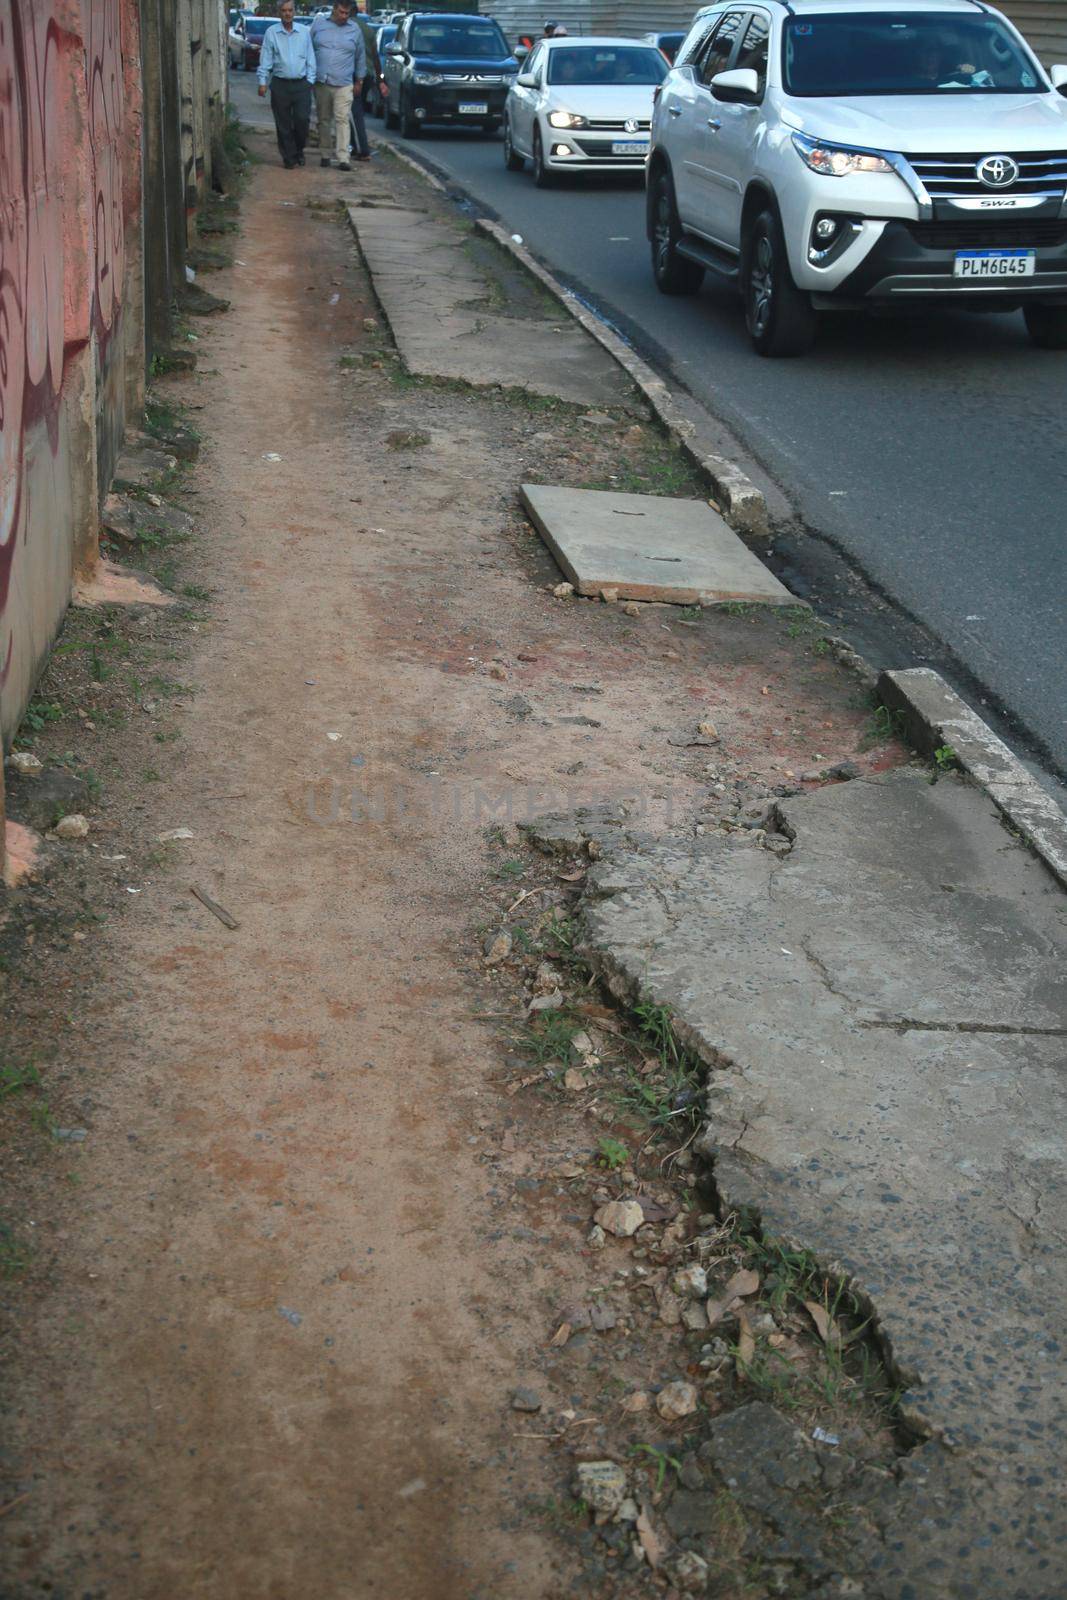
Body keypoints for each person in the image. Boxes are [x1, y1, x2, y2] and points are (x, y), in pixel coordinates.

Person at [257, 0, 316, 169]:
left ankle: (299, 150)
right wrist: (262, 82)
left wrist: (310, 80)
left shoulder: (304, 32)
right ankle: (289, 158)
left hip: (301, 84)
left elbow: (310, 57)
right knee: (283, 124)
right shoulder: (271, 33)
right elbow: (266, 59)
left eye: (290, 10)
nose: (287, 13)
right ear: (279, 12)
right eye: (284, 10)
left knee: (302, 121)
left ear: (294, 11)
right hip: (280, 84)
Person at [311, 0, 368, 172]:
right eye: (341, 12)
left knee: (342, 119)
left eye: (347, 13)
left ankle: (343, 157)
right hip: (321, 82)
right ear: (334, 10)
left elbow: (360, 57)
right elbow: (308, 49)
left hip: (344, 83)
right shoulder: (319, 25)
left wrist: (360, 80)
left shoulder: (355, 30)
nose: (344, 16)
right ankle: (325, 154)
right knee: (323, 119)